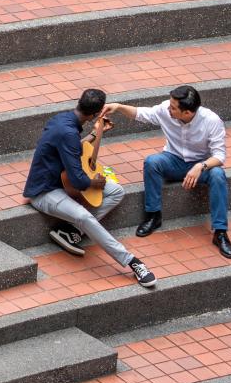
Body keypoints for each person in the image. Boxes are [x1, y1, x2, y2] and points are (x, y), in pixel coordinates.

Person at [23, 88, 156, 287]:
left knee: (116, 191)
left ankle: (71, 232)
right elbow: (78, 181)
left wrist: (95, 133)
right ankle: (132, 261)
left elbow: (73, 149)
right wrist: (95, 183)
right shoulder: (68, 132)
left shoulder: (62, 119)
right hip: (44, 192)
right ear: (95, 113)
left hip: (63, 182)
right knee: (84, 216)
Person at [105, 86, 231, 259]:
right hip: (172, 160)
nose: (168, 109)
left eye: (173, 108)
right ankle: (153, 216)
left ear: (187, 112)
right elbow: (141, 114)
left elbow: (219, 156)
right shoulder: (166, 109)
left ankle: (220, 232)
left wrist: (200, 166)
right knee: (152, 162)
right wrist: (119, 107)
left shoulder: (211, 120)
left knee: (218, 174)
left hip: (200, 166)